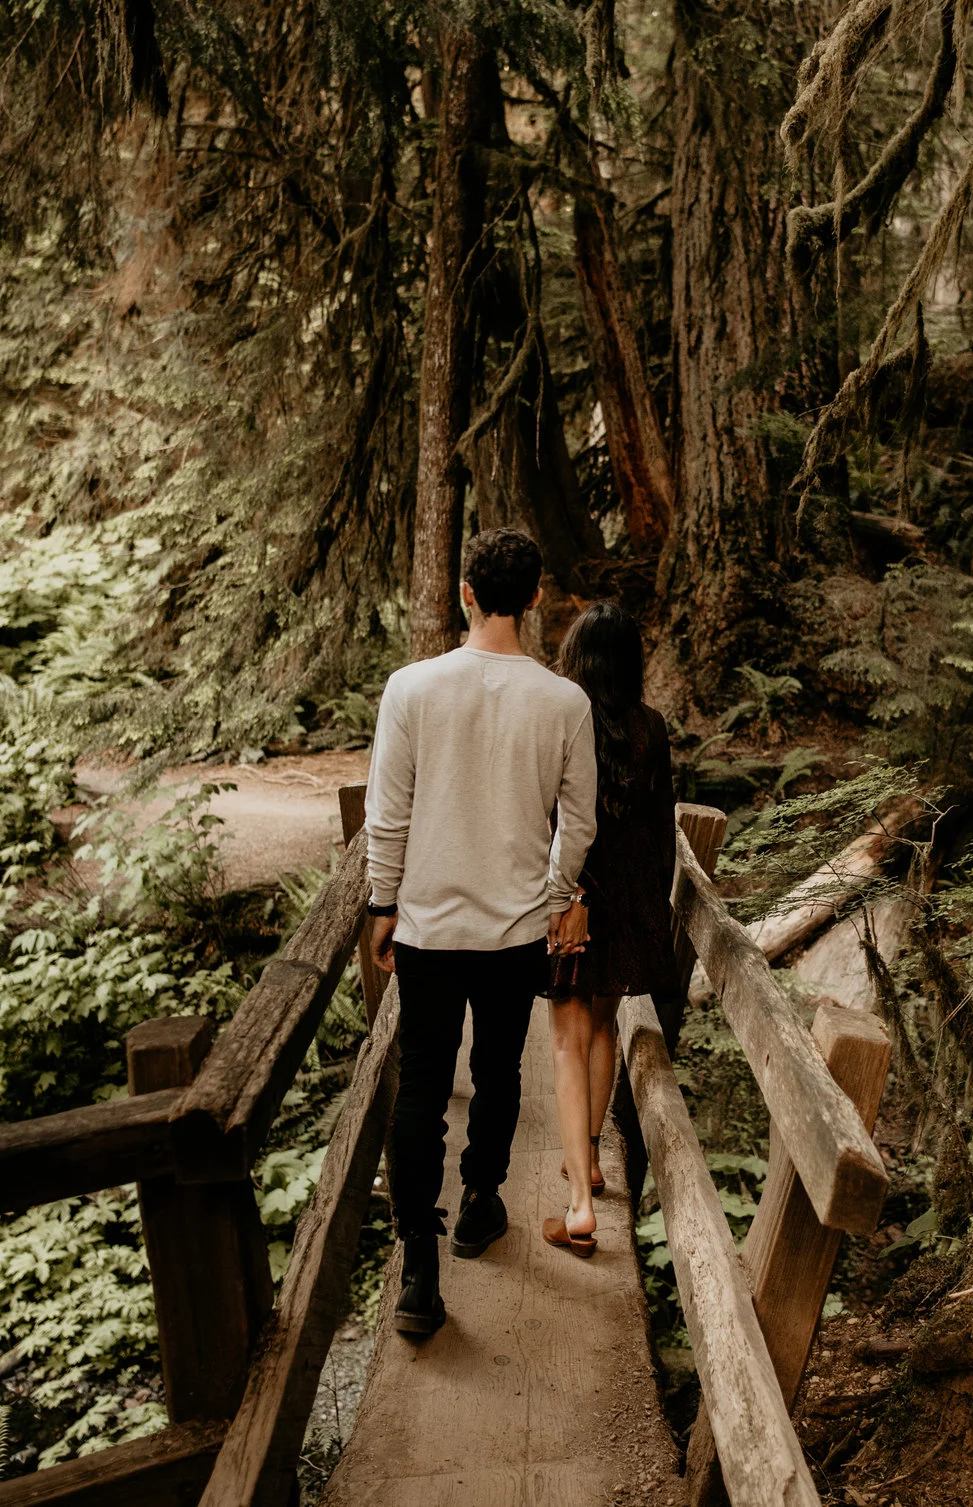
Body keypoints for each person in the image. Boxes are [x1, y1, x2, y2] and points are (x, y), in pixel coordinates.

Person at [362, 529, 597, 1339]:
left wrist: (381, 903)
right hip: (514, 929)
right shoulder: (565, 702)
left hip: (428, 925)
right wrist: (557, 892)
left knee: (422, 1085)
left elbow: (385, 814)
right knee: (499, 1069)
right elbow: (580, 822)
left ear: (466, 593)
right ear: (537, 597)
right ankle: (481, 1202)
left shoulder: (411, 689)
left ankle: (419, 1272)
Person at [539, 601, 678, 1258]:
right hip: (628, 908)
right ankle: (589, 1160)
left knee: (566, 1042)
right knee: (599, 1029)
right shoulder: (652, 727)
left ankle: (580, 1206)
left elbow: (546, 822)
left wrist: (553, 896)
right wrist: (654, 916)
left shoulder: (563, 721)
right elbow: (660, 835)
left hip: (576, 900)